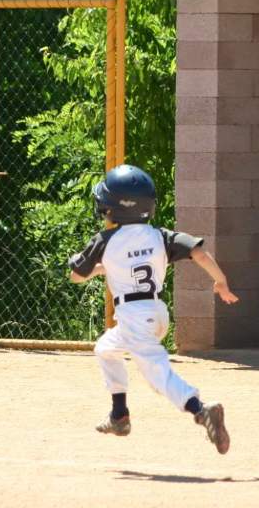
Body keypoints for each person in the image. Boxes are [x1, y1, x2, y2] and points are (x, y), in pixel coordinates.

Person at [67, 164, 240, 455]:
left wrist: (90, 266)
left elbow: (76, 276)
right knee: (106, 349)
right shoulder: (160, 236)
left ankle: (201, 410)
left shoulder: (105, 240)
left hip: (134, 316)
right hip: (156, 312)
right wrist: (220, 281)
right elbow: (198, 253)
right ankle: (119, 415)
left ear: (116, 208)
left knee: (156, 373)